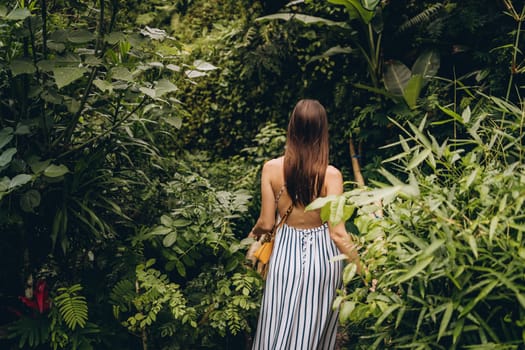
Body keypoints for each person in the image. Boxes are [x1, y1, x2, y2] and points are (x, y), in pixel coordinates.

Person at [248, 99, 360, 349]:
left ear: (292, 127)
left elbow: (266, 223)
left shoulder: (271, 169)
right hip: (323, 259)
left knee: (276, 323)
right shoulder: (331, 175)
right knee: (313, 329)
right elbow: (338, 235)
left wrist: (253, 234)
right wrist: (366, 270)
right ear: (322, 130)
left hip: (285, 253)